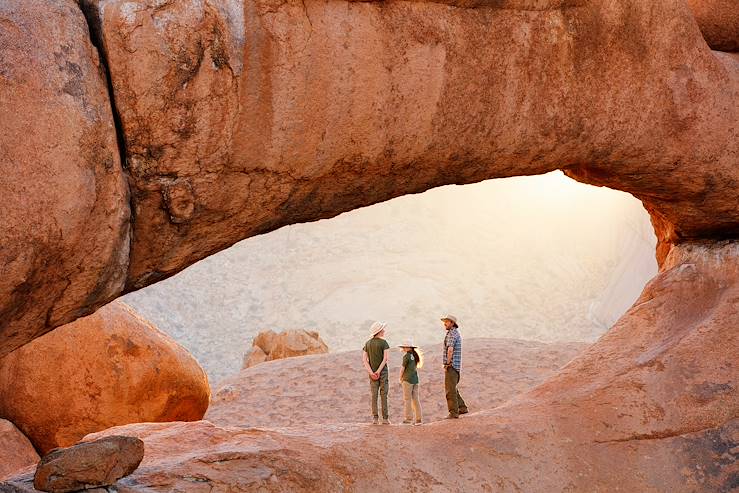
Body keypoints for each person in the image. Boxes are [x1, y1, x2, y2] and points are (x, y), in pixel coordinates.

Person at [363, 321, 391, 424]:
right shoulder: (384, 343)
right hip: (382, 372)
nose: (384, 330)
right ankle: (385, 419)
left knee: (374, 395)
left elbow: (365, 360)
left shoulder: (367, 343)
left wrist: (372, 373)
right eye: (383, 329)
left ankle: (375, 418)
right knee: (383, 394)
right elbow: (385, 359)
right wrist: (378, 371)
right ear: (379, 331)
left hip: (372, 374)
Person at [441, 315, 468, 419]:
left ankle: (453, 412)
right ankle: (462, 408)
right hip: (455, 366)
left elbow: (450, 350)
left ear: (452, 323)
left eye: (447, 322)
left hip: (451, 366)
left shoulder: (452, 334)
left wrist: (447, 363)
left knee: (450, 390)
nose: (444, 324)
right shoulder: (454, 333)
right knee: (453, 388)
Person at [398, 340, 423, 425]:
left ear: (408, 347)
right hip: (415, 380)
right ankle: (418, 419)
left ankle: (408, 419)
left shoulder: (406, 356)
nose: (403, 348)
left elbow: (402, 369)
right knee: (416, 399)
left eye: (404, 347)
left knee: (407, 399)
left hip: (407, 380)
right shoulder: (415, 355)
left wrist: (400, 378)